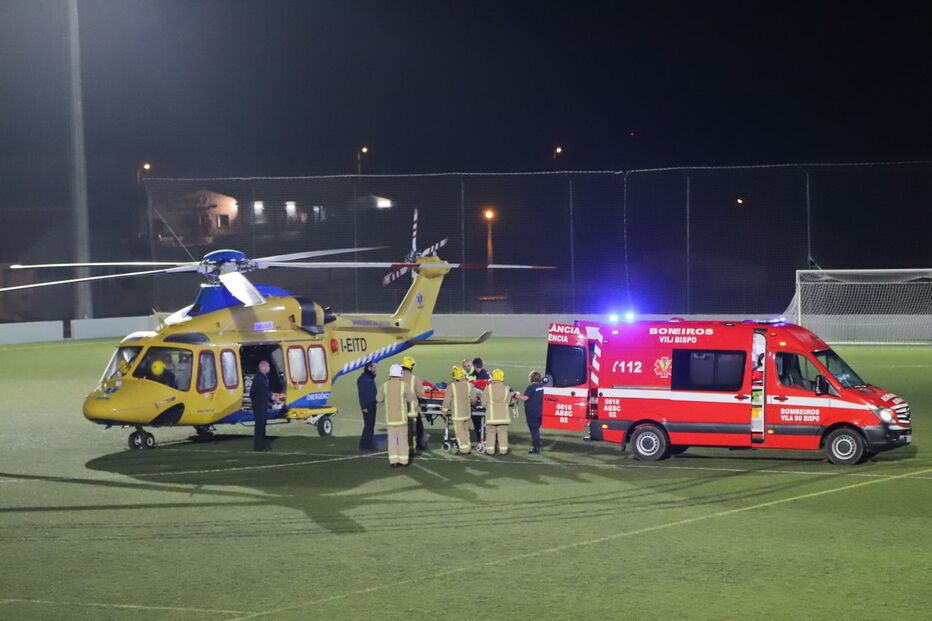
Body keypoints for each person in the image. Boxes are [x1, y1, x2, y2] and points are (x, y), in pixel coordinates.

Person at [376, 364, 416, 467]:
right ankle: (404, 461)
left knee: (392, 441)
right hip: (402, 420)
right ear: (400, 374)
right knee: (403, 441)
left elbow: (378, 398)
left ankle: (393, 462)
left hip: (390, 420)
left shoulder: (385, 385)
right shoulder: (404, 385)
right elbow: (411, 398)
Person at [480, 369, 519, 456]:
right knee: (503, 434)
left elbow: (483, 403)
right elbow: (509, 402)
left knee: (490, 433)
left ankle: (490, 451)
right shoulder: (506, 389)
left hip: (491, 417)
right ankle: (503, 451)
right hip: (504, 417)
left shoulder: (488, 388)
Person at [441, 365, 478, 454]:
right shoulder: (469, 385)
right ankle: (467, 447)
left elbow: (447, 400)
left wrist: (444, 411)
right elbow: (474, 399)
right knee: (466, 432)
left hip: (457, 415)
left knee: (460, 433)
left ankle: (464, 450)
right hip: (467, 414)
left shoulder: (452, 386)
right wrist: (473, 405)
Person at [400, 356, 428, 456]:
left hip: (400, 409)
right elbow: (421, 394)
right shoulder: (414, 379)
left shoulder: (397, 378)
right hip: (412, 409)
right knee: (413, 430)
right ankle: (412, 449)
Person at [250, 360, 272, 452]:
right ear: (263, 367)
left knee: (261, 425)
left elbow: (252, 393)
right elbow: (264, 392)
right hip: (260, 406)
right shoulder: (260, 378)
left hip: (259, 405)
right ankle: (259, 447)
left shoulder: (260, 377)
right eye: (268, 367)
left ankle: (261, 446)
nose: (269, 368)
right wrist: (272, 398)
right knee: (260, 426)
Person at [357, 361, 378, 450]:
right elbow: (362, 394)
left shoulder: (367, 378)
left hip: (371, 404)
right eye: (374, 367)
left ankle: (364, 444)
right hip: (368, 405)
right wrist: (364, 406)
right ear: (369, 368)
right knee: (369, 425)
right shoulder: (364, 379)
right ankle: (368, 445)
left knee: (369, 425)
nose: (375, 369)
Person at [522, 371, 545, 454]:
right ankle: (538, 444)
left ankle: (536, 448)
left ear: (531, 379)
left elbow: (525, 398)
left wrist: (514, 394)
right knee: (536, 429)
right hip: (541, 411)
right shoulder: (543, 386)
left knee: (534, 430)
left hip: (532, 412)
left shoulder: (531, 388)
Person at [470, 357, 491, 443]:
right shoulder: (486, 374)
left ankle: (482, 438)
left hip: (481, 402)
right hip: (484, 401)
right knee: (479, 421)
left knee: (479, 421)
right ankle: (482, 438)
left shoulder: (482, 375)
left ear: (474, 366)